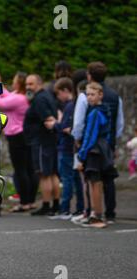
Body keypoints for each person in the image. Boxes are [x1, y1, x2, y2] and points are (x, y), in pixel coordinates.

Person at [71, 62, 124, 224]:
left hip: (91, 146)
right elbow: (119, 123)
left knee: (91, 179)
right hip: (107, 144)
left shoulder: (85, 97)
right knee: (108, 179)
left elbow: (80, 123)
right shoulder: (115, 96)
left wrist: (78, 143)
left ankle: (92, 212)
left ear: (89, 75)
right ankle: (110, 213)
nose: (89, 96)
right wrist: (111, 142)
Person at [0, 71, 38, 212]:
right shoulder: (23, 97)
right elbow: (8, 96)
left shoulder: (18, 98)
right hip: (24, 135)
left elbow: (0, 102)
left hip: (16, 136)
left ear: (19, 83)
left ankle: (24, 202)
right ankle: (30, 200)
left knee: (21, 170)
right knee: (29, 168)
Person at [76, 82, 118, 228]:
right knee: (98, 182)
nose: (89, 97)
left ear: (100, 95)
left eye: (92, 94)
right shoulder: (105, 109)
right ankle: (98, 214)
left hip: (94, 150)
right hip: (103, 148)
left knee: (94, 183)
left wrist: (82, 154)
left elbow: (90, 136)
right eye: (87, 94)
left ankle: (96, 215)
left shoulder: (94, 112)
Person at [23, 74, 60, 216]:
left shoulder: (39, 99)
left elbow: (48, 119)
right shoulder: (47, 96)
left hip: (42, 141)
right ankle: (55, 205)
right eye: (27, 84)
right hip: (48, 141)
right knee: (51, 173)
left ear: (39, 83)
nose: (28, 87)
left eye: (31, 84)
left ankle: (46, 205)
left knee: (44, 174)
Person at [51, 78, 84, 220]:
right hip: (71, 148)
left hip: (66, 147)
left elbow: (65, 127)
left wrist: (55, 124)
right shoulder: (73, 105)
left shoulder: (69, 106)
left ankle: (64, 210)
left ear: (66, 90)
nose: (59, 98)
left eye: (59, 94)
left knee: (67, 178)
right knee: (75, 179)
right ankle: (80, 208)